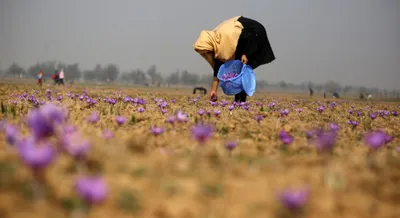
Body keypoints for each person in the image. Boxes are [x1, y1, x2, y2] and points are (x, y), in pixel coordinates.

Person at [193, 16, 275, 102]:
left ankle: (240, 101)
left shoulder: (226, 36)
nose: (208, 54)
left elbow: (245, 35)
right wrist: (213, 90)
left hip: (254, 33)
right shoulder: (218, 44)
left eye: (207, 51)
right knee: (238, 68)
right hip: (243, 41)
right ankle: (239, 101)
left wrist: (245, 53)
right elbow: (218, 67)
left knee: (241, 68)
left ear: (209, 44)